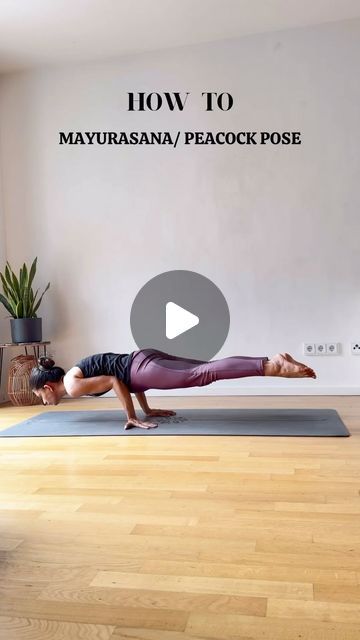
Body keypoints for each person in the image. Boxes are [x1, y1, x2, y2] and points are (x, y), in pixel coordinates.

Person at [30, 348, 317, 430]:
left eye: (39, 396)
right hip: (142, 361)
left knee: (205, 373)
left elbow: (117, 382)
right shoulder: (73, 376)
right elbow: (124, 380)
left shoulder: (72, 385)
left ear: (46, 386)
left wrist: (131, 417)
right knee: (210, 367)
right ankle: (271, 363)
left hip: (140, 368)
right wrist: (147, 409)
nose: (43, 401)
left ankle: (273, 365)